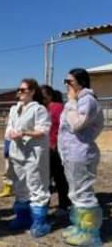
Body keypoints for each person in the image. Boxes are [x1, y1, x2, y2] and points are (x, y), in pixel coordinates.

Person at [58, 68, 104, 246]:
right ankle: (80, 227)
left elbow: (77, 124)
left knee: (83, 194)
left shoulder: (87, 101)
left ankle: (90, 233)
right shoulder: (78, 101)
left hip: (81, 154)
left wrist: (70, 103)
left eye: (69, 82)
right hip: (71, 154)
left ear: (81, 83)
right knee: (76, 193)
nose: (67, 85)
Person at [6, 78, 51, 238]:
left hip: (33, 153)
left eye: (23, 90)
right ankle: (22, 217)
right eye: (18, 90)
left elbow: (43, 130)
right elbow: (10, 127)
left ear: (32, 91)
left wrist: (24, 133)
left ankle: (39, 221)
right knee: (20, 184)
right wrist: (11, 133)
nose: (19, 92)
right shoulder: (14, 109)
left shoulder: (39, 109)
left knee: (36, 184)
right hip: (17, 152)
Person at [41, 85, 71, 216]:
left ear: (50, 95)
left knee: (59, 178)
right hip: (44, 148)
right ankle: (44, 205)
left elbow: (65, 128)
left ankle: (63, 205)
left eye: (42, 94)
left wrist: (58, 144)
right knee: (44, 179)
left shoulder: (58, 108)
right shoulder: (42, 109)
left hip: (56, 148)